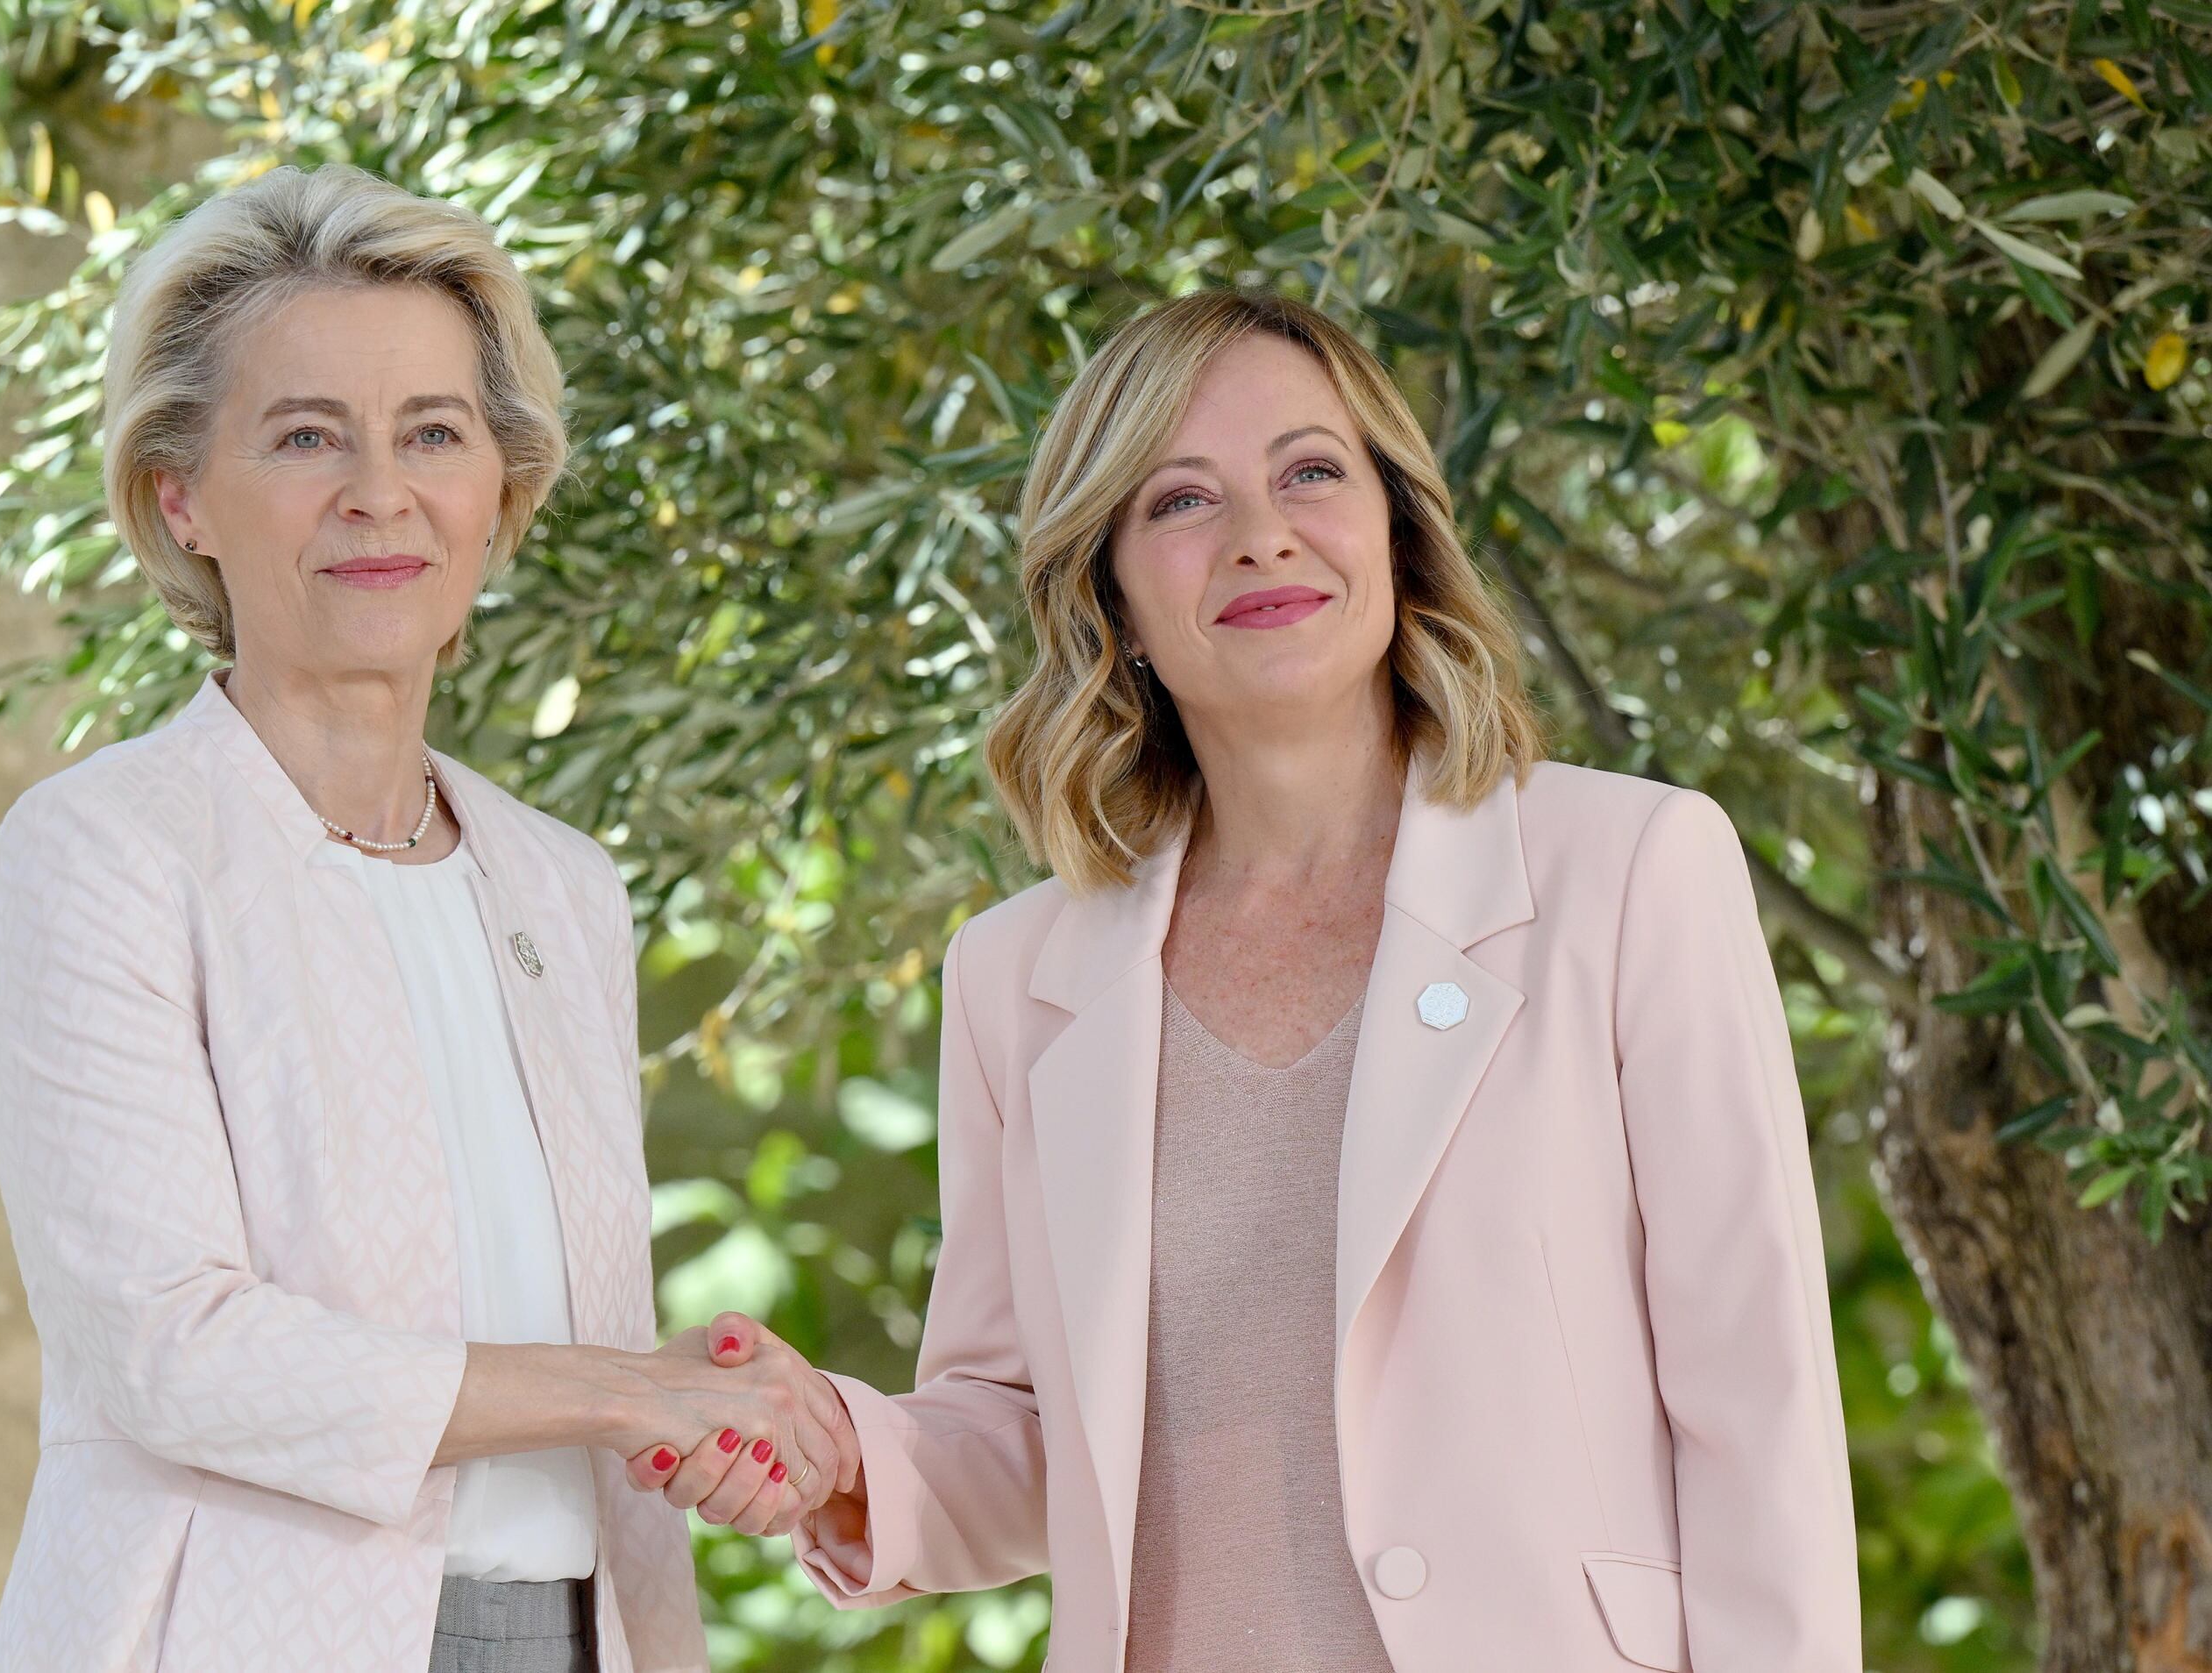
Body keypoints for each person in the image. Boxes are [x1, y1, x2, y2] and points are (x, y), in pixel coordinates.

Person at [634, 289, 1859, 1671]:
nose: (1260, 533)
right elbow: (1033, 1437)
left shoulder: (1632, 872)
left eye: (1311, 473)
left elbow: (1758, 1408)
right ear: (1112, 597)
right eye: (1180, 501)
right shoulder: (1015, 977)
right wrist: (843, 1450)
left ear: (1399, 531)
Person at [0, 162, 851, 1673]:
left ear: (498, 494)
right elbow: (172, 1352)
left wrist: (725, 1416)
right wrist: (630, 1392)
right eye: (307, 436)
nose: (380, 493)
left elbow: (587, 1333)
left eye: (432, 434)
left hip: (585, 1637)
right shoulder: (101, 853)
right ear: (181, 493)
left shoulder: (561, 886)